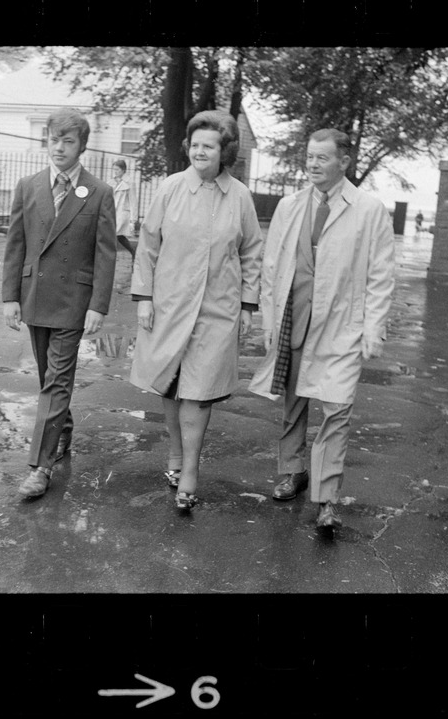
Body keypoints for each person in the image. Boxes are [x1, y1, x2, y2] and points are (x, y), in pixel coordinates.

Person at [249, 128, 395, 531]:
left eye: (321, 158)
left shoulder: (368, 210)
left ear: (344, 162)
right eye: (309, 157)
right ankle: (293, 471)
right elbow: (272, 266)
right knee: (293, 402)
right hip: (294, 317)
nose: (312, 164)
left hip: (341, 325)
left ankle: (327, 497)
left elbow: (381, 276)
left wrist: (373, 329)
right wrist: (269, 318)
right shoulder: (290, 206)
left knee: (336, 410)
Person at [130, 110, 263, 511]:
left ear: (225, 151)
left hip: (217, 310)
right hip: (169, 304)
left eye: (209, 145)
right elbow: (148, 245)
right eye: (196, 144)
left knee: (200, 392)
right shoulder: (171, 188)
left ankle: (190, 470)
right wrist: (145, 299)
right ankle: (175, 452)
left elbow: (252, 252)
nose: (200, 151)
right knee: (170, 384)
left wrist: (247, 306)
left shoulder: (239, 195)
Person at [2, 107, 117, 499]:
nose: (60, 147)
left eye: (68, 141)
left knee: (56, 382)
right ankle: (62, 429)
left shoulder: (99, 192)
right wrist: (9, 298)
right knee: (46, 379)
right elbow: (15, 246)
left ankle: (40, 467)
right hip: (35, 296)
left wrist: (98, 305)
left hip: (72, 301)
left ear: (81, 147)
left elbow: (106, 255)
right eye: (54, 139)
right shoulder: (28, 186)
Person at [110, 158, 137, 260]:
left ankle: (110, 256)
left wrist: (132, 220)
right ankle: (133, 252)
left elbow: (133, 201)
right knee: (119, 236)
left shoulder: (130, 182)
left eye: (117, 170)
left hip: (123, 212)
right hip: (113, 211)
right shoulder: (112, 181)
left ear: (123, 170)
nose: (115, 172)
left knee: (114, 234)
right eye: (114, 170)